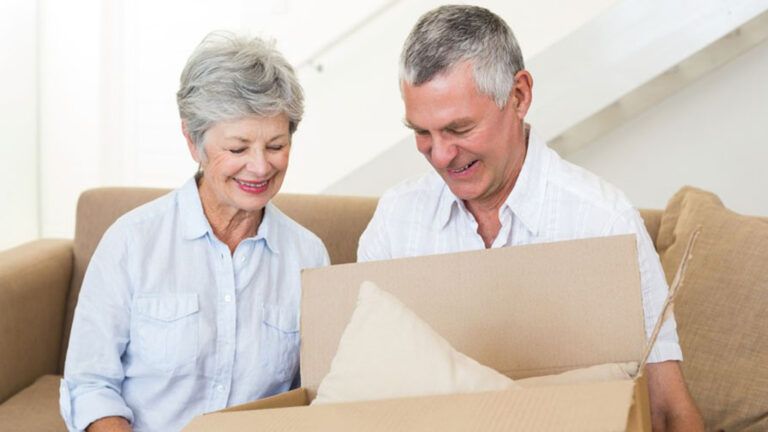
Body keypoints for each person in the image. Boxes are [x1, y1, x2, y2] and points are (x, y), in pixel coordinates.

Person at [358, 5, 704, 431]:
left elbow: (668, 408)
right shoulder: (395, 223)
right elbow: (365, 400)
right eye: (422, 133)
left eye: (459, 129)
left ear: (518, 96)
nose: (441, 155)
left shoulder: (602, 222)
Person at [59, 32, 329, 432]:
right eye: (238, 149)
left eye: (275, 146)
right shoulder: (132, 242)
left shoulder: (309, 256)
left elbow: (315, 394)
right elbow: (90, 384)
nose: (259, 167)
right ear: (193, 141)